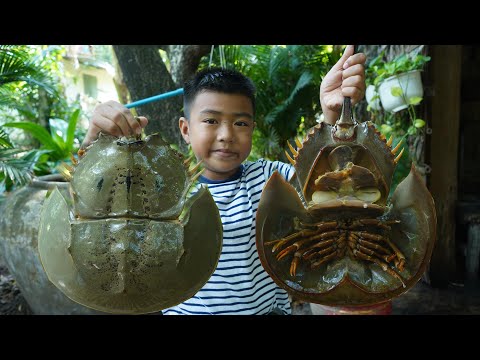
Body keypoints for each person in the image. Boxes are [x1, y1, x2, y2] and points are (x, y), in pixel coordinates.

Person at [81, 45, 366, 315]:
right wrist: (95, 142)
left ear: (252, 129)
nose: (227, 135)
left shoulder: (269, 178)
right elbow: (94, 209)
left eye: (241, 123)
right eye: (211, 121)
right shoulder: (161, 187)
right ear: (185, 129)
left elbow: (327, 183)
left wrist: (331, 117)